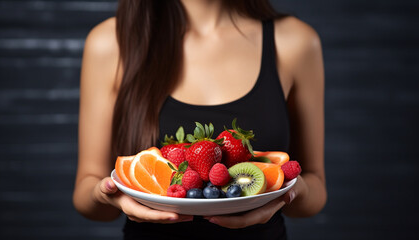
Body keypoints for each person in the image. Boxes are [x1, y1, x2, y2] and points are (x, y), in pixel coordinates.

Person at [73, 0, 326, 239]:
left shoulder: (296, 42)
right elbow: (88, 196)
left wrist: (290, 192)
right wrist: (106, 195)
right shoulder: (110, 43)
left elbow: (314, 191)